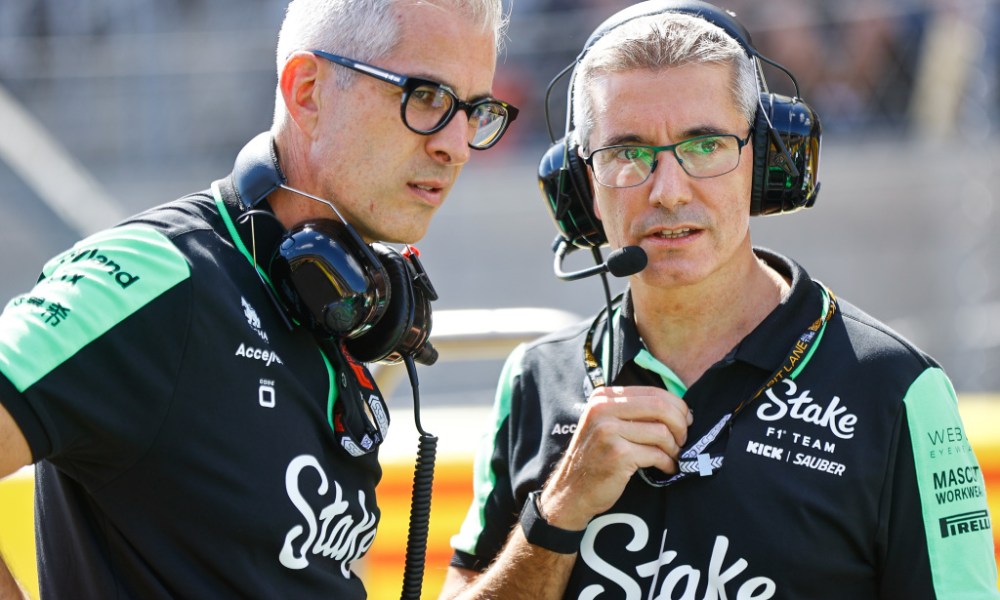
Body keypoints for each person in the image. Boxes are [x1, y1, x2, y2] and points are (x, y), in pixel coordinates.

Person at [440, 1, 1000, 599]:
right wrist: (558, 511)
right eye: (627, 153)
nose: (669, 190)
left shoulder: (897, 390)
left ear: (763, 160)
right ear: (580, 189)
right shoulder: (533, 382)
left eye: (704, 145)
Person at [0, 0, 517, 597]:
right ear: (307, 91)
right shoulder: (158, 274)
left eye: (476, 110)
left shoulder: (337, 304)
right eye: (426, 97)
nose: (457, 146)